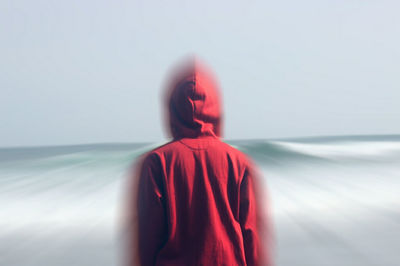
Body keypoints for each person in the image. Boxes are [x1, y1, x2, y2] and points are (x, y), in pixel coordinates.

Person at [127, 58, 271, 266]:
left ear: (173, 108)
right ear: (215, 107)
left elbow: (147, 243)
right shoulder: (239, 163)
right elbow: (252, 241)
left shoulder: (156, 163)